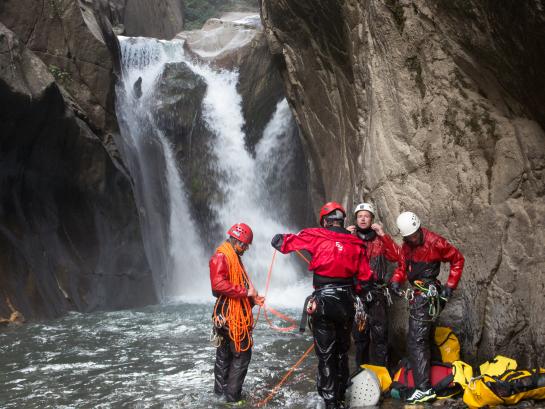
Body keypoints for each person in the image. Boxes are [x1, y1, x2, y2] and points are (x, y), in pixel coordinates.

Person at [271, 202, 372, 409]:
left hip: (323, 302)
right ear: (342, 221)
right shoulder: (356, 243)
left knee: (326, 354)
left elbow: (284, 243)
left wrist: (278, 240)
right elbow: (366, 278)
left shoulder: (315, 235)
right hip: (347, 303)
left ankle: (330, 402)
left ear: (325, 221)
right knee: (342, 350)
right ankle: (342, 394)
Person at [390, 211, 464, 404]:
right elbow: (402, 266)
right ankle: (435, 379)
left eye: (414, 235)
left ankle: (424, 389)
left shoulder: (435, 242)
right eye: (409, 237)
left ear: (419, 229)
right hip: (419, 294)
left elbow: (457, 259)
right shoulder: (407, 246)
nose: (413, 239)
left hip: (428, 295)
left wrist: (450, 286)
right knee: (426, 338)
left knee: (416, 341)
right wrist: (396, 280)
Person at [210, 223, 264, 404]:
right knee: (241, 354)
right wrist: (245, 292)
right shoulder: (221, 257)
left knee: (224, 355)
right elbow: (217, 285)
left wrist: (251, 301)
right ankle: (232, 399)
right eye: (244, 245)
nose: (246, 249)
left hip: (225, 316)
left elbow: (231, 287)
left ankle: (220, 396)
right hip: (230, 317)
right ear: (236, 241)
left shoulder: (233, 257)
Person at [347, 202, 404, 368]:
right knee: (360, 337)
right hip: (357, 294)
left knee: (380, 336)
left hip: (377, 293)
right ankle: (360, 372)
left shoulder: (380, 240)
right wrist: (346, 237)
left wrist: (383, 235)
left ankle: (381, 374)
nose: (363, 219)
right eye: (360, 216)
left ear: (372, 219)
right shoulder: (350, 239)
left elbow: (397, 257)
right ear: (356, 220)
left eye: (366, 216)